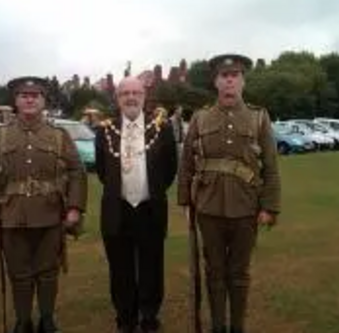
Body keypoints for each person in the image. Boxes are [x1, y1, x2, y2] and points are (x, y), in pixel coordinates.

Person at [177, 54, 281, 333]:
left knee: (239, 274)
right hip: (208, 208)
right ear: (216, 82)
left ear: (243, 81)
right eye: (224, 76)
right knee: (214, 273)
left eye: (235, 75)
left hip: (247, 208)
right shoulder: (200, 118)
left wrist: (269, 206)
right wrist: (185, 200)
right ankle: (218, 327)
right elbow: (187, 161)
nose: (229, 81)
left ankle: (237, 327)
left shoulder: (259, 118)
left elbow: (270, 165)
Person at [0, 76, 88, 333]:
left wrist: (74, 208)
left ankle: (47, 319)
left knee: (48, 272)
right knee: (19, 273)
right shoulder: (0, 136)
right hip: (12, 216)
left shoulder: (59, 136)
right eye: (24, 95)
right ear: (15, 101)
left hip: (50, 215)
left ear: (43, 100)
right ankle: (23, 320)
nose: (29, 99)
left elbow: (77, 173)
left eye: (35, 95)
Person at [95, 77, 178, 333]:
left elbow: (170, 168)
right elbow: (102, 171)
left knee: (152, 266)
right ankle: (126, 318)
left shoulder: (160, 128)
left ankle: (149, 316)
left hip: (149, 209)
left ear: (144, 96)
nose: (131, 97)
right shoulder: (104, 130)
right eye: (125, 93)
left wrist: (148, 191)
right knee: (120, 269)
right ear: (117, 98)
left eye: (136, 92)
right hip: (117, 209)